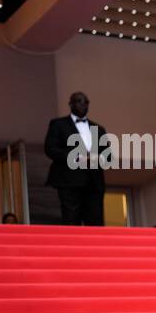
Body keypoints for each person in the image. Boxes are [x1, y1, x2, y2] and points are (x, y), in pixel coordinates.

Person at [44, 91, 109, 226]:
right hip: (69, 180)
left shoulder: (99, 129)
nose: (83, 104)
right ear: (71, 104)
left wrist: (97, 158)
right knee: (71, 220)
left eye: (86, 102)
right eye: (79, 101)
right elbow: (50, 149)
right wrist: (77, 157)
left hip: (94, 182)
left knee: (95, 222)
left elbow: (107, 156)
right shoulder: (58, 124)